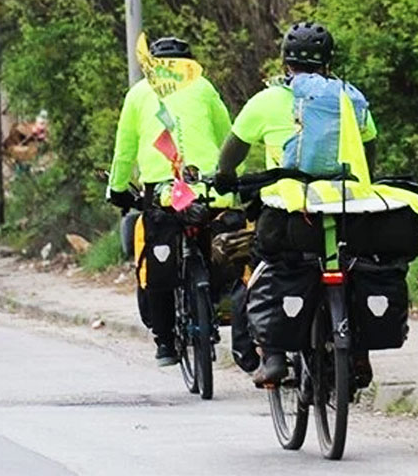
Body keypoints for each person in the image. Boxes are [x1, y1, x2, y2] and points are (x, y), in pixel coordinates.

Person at [213, 21, 378, 385]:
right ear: (328, 64)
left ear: (286, 63)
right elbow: (369, 152)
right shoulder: (349, 97)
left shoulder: (267, 100)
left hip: (289, 213)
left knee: (266, 264)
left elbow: (232, 151)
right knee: (356, 263)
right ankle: (361, 354)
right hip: (346, 209)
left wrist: (224, 176)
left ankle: (272, 357)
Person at [107, 36, 232, 366]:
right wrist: (234, 178)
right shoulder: (204, 87)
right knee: (219, 244)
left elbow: (124, 151)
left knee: (156, 257)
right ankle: (214, 307)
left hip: (162, 194)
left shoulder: (138, 93)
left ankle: (164, 342)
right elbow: (229, 138)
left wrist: (117, 189)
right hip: (208, 190)